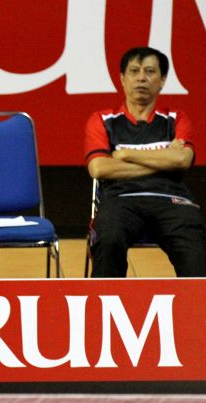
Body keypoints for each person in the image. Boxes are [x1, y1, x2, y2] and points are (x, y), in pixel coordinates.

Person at [84, 46, 206, 278]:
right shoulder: (102, 119)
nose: (141, 78)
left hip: (172, 201)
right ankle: (107, 299)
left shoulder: (176, 119)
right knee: (108, 238)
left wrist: (124, 155)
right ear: (122, 79)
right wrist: (164, 159)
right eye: (134, 71)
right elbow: (99, 168)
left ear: (162, 80)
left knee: (194, 247)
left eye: (150, 71)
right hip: (120, 201)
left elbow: (182, 159)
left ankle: (198, 302)